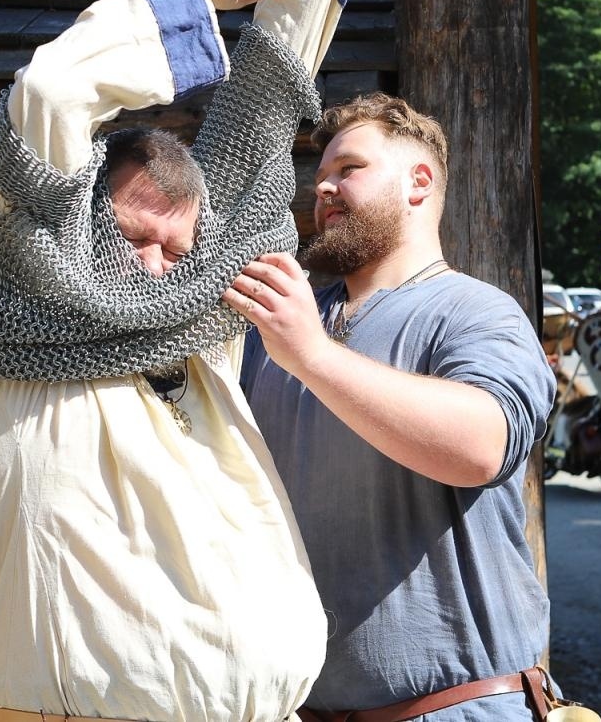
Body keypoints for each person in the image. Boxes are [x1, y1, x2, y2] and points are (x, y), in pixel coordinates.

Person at [0, 0, 379, 722]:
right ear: (74, 216)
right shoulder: (12, 305)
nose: (156, 270)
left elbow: (258, 123)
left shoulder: (201, 318)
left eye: (178, 250)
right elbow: (52, 91)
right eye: (136, 237)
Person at [234, 94, 561, 721]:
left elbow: (480, 446)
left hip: (453, 710)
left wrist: (312, 355)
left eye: (349, 168)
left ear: (419, 182)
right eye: (321, 174)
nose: (322, 187)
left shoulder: (475, 312)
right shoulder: (279, 325)